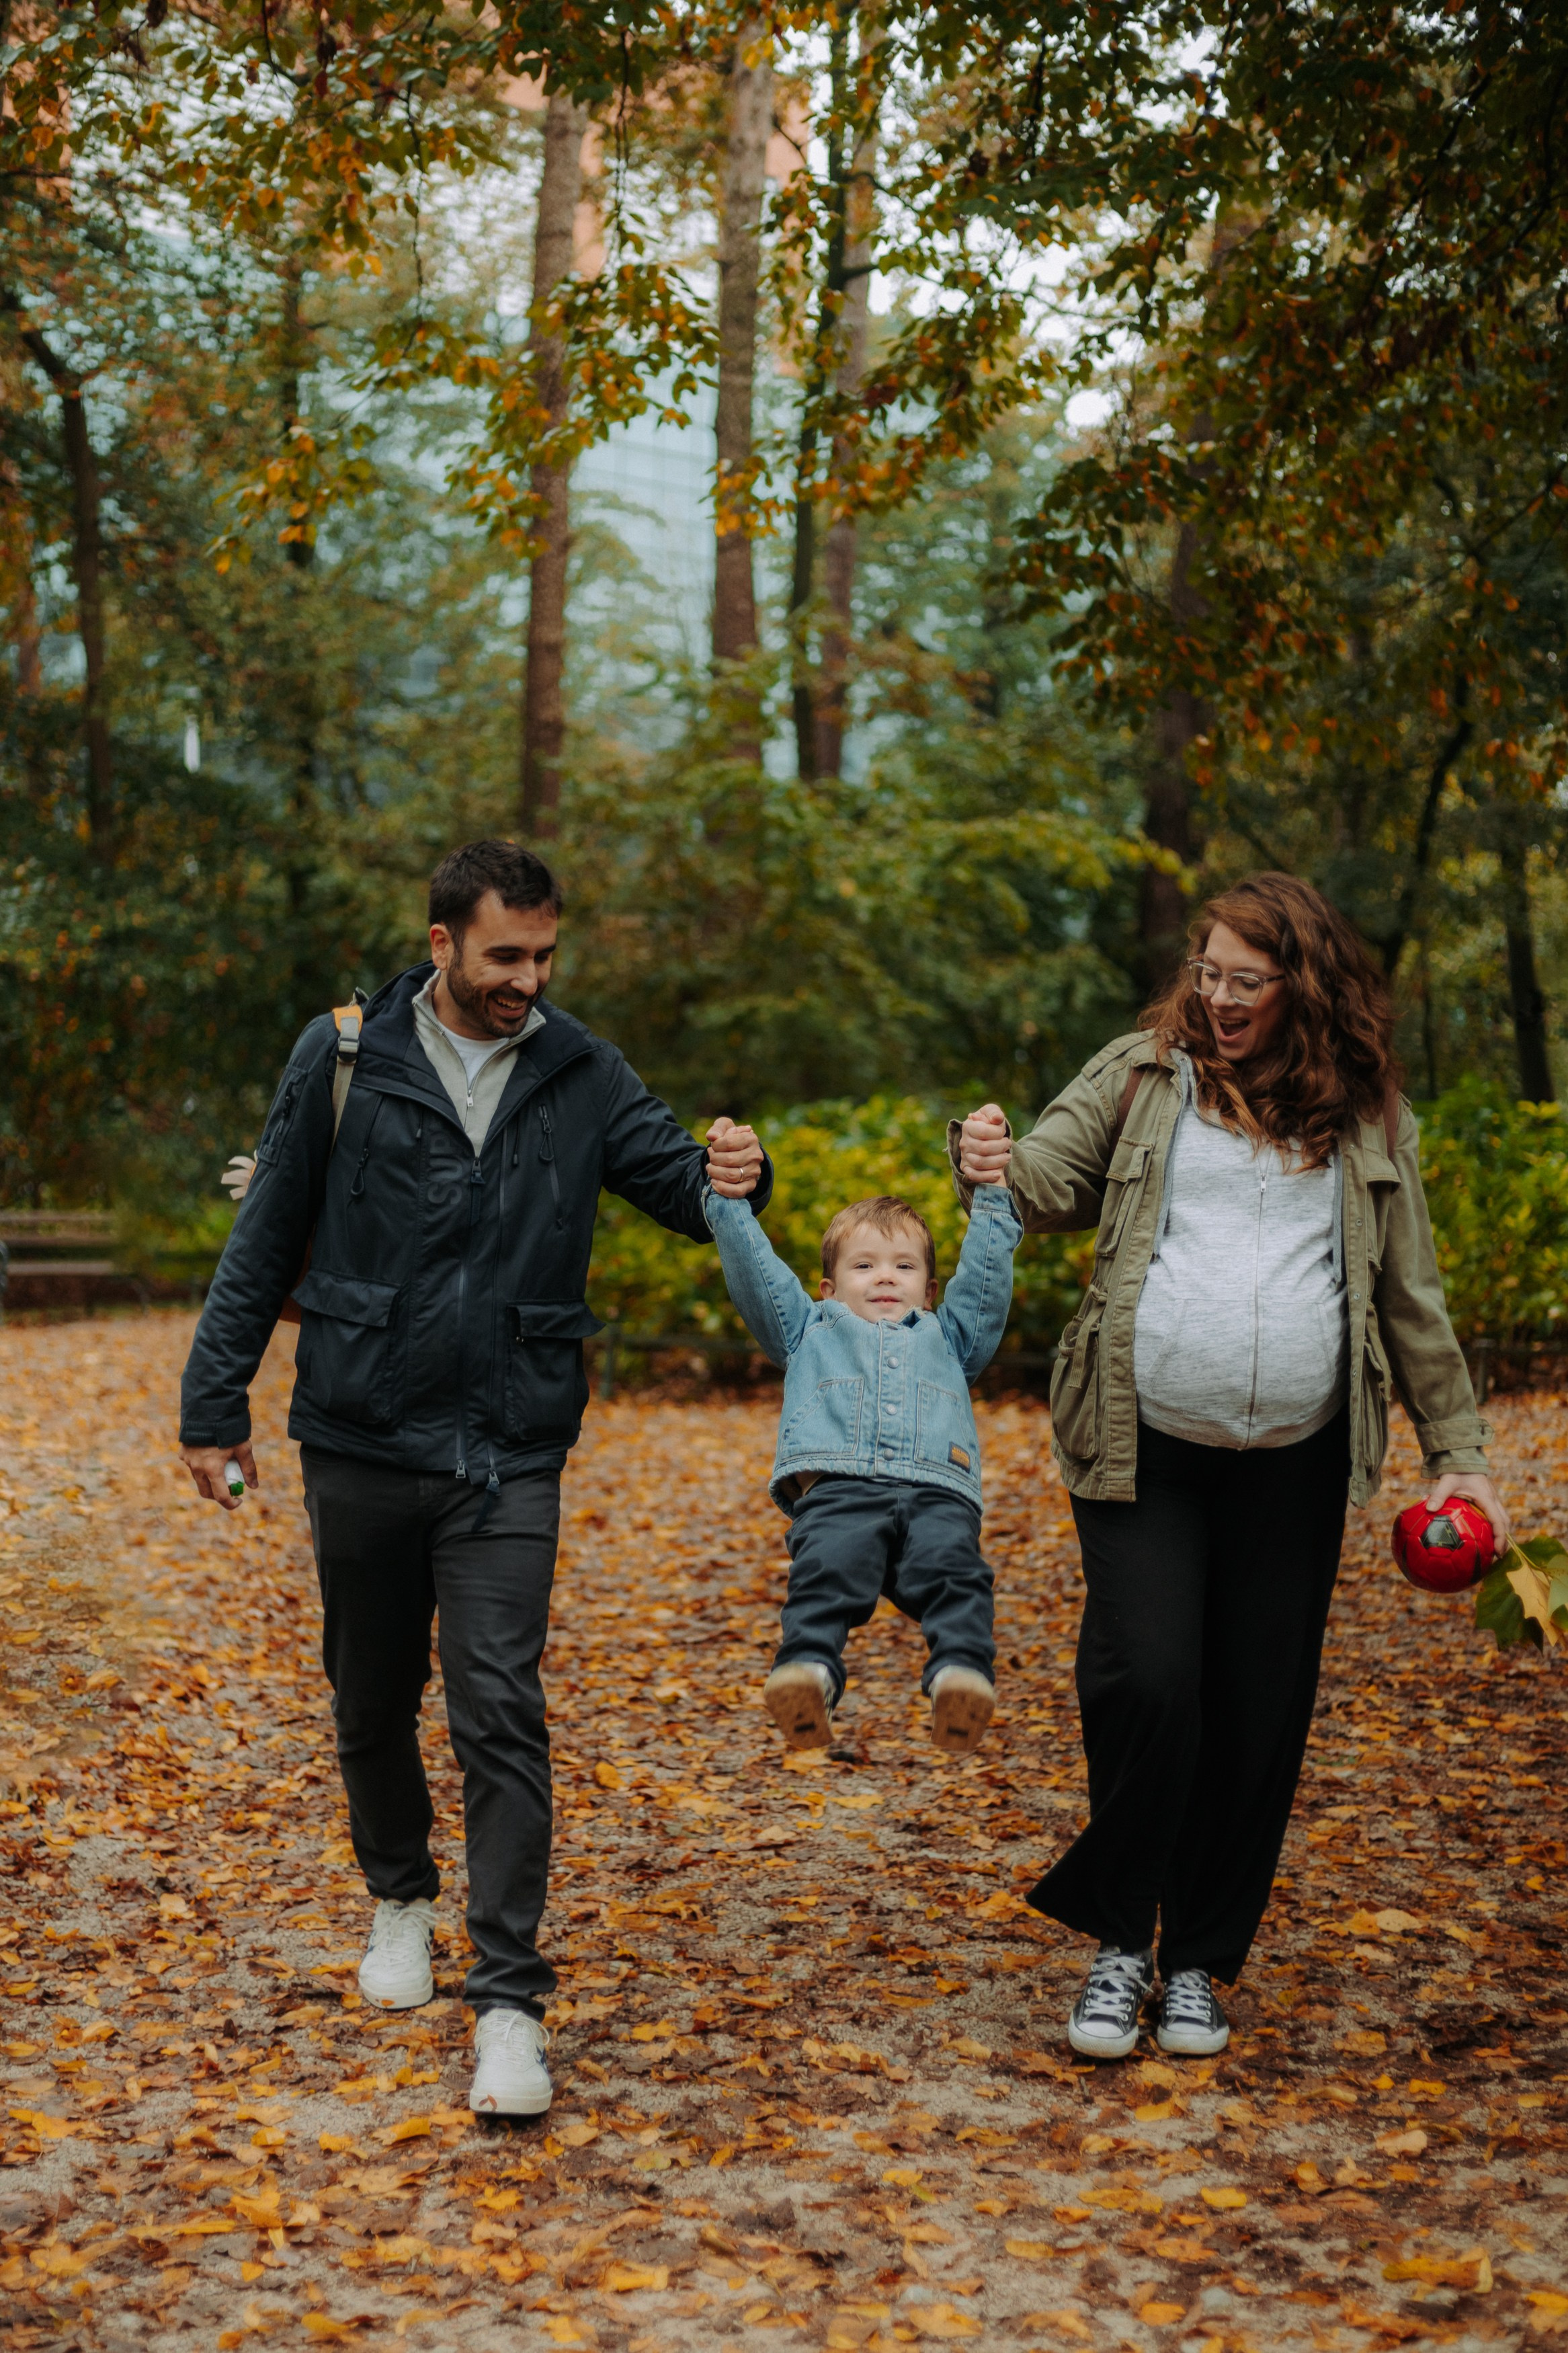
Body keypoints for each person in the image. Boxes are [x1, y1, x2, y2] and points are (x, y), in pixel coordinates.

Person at [177, 839, 770, 2118]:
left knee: (499, 1706)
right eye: (507, 955)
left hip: (509, 1445)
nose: (529, 980)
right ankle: (399, 1899)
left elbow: (680, 1184)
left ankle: (509, 2004)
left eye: (546, 956)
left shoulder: (581, 1069)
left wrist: (741, 1172)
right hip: (359, 1430)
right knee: (368, 1695)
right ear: (441, 944)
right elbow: (270, 1221)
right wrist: (210, 1402)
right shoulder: (343, 1056)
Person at [957, 873, 1508, 2061]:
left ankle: (1198, 1959)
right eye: (1204, 973)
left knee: (1255, 1715)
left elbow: (1410, 1296)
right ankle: (1117, 1943)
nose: (1213, 998)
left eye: (1241, 982)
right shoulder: (1144, 1072)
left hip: (1294, 1465)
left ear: (1300, 985)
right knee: (1147, 1681)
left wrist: (1454, 1456)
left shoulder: (1365, 1112)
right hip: (1140, 1441)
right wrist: (987, 1155)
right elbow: (1047, 1181)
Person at [701, 1144, 1023, 1755]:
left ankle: (960, 1676)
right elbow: (755, 1272)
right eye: (865, 1265)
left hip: (936, 1487)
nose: (884, 1277)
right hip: (838, 1487)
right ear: (827, 1287)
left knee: (955, 1574)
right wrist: (728, 1204)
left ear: (928, 1290)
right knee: (825, 1575)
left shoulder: (949, 1336)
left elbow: (983, 1280)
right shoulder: (808, 1328)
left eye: (903, 1268)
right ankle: (808, 1675)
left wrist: (992, 1197)